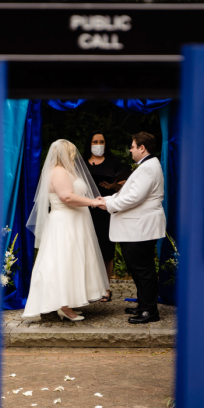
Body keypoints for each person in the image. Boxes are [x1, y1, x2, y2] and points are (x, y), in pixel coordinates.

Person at [23, 139, 109, 322]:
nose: (74, 156)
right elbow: (67, 197)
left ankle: (66, 302)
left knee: (71, 261)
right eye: (71, 152)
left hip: (74, 222)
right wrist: (93, 202)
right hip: (65, 222)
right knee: (63, 261)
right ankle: (63, 306)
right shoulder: (59, 171)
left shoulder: (64, 171)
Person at [94, 132, 166, 324]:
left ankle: (150, 311)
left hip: (140, 228)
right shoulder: (147, 166)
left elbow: (135, 197)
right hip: (137, 227)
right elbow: (131, 193)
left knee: (143, 270)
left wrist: (107, 205)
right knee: (138, 269)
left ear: (142, 148)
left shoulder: (148, 168)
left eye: (132, 146)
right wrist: (107, 199)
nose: (130, 150)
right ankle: (144, 304)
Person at [84, 130, 126, 302]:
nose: (98, 145)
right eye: (95, 141)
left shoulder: (114, 162)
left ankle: (106, 289)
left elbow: (125, 185)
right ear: (89, 143)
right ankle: (87, 289)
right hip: (85, 211)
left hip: (106, 210)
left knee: (106, 250)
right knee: (86, 249)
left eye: (101, 141)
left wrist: (113, 186)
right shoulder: (81, 162)